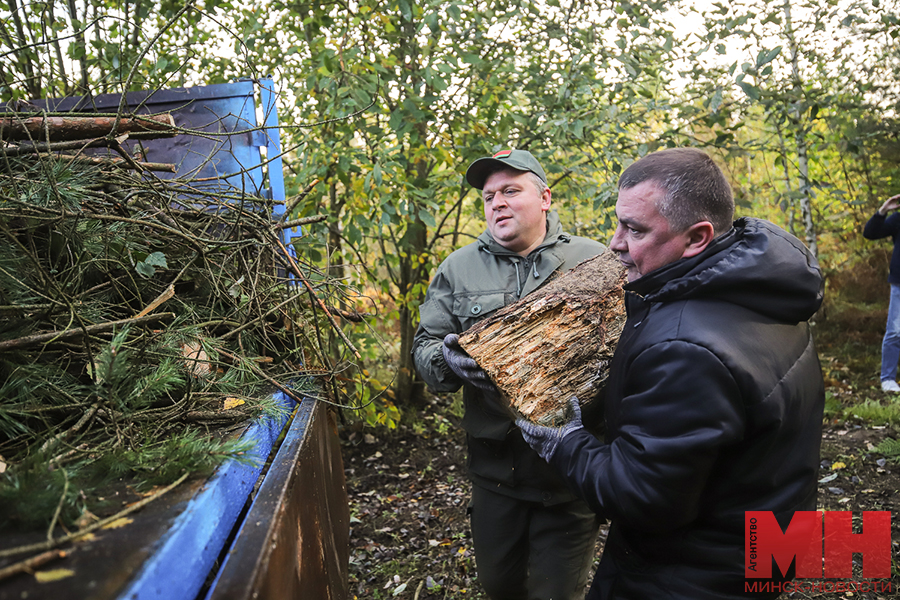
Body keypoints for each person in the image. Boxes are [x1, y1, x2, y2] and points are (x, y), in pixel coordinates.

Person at [516, 147, 825, 599]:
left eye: (635, 229)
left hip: (691, 573)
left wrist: (567, 444)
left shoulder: (684, 348)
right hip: (768, 539)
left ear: (697, 237)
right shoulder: (764, 288)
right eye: (618, 222)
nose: (615, 243)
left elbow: (642, 500)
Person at [411, 149, 606, 600]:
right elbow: (425, 347)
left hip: (570, 473)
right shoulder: (458, 269)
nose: (496, 202)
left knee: (557, 594)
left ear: (545, 199)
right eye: (488, 196)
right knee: (501, 587)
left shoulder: (592, 261)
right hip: (495, 474)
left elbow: (628, 352)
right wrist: (446, 357)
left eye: (511, 191)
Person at [862, 193, 900, 392]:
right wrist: (882, 211)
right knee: (895, 331)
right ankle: (888, 379)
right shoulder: (898, 219)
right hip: (899, 283)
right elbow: (870, 233)